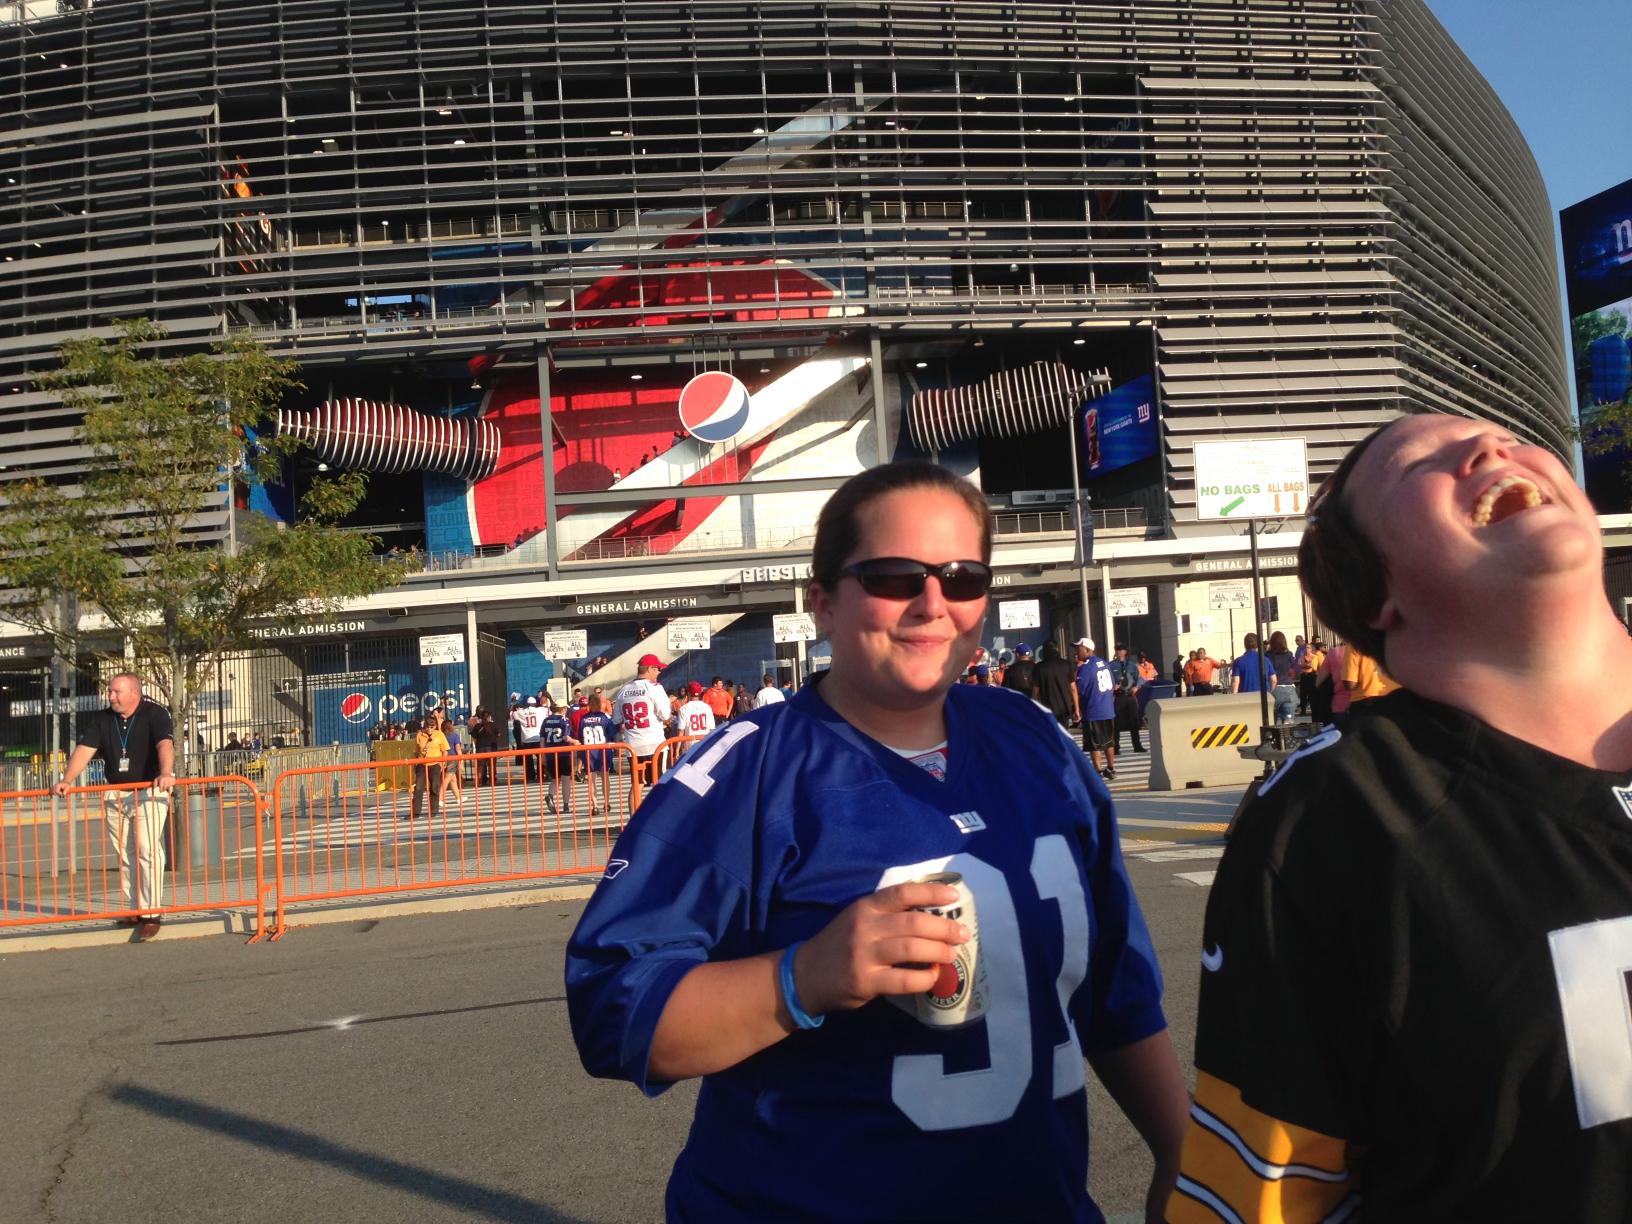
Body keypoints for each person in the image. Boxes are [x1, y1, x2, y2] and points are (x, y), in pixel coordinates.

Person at [567, 461, 1187, 1222]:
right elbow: (613, 1010)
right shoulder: (748, 774)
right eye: (895, 577)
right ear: (823, 602)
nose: (933, 603)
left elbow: (1115, 989)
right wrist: (801, 977)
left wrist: (1180, 1151)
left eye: (963, 579)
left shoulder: (1036, 741)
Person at [1172, 415, 1632, 1222]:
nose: (1489, 449)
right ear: (1377, 594)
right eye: (1418, 464)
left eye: (1510, 436)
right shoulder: (1335, 823)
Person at [54, 673, 175, 942]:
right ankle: (134, 909)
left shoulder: (155, 714)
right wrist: (67, 779)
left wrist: (166, 772)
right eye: (110, 691)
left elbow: (165, 744)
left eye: (116, 692)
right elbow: (84, 750)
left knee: (147, 850)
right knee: (125, 854)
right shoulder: (102, 718)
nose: (111, 696)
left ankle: (151, 913)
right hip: (115, 793)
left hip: (148, 791)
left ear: (134, 693)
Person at [613, 654, 673, 781]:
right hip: (654, 743)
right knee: (660, 783)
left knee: (637, 783)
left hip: (632, 745)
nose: (659, 672)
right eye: (658, 669)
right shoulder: (655, 687)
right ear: (650, 669)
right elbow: (665, 714)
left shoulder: (624, 689)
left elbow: (617, 719)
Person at [1076, 637, 1118, 780]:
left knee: (1094, 744)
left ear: (1087, 650)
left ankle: (1097, 771)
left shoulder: (1086, 667)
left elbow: (1080, 690)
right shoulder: (1104, 663)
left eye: (1079, 648)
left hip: (1093, 710)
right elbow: (1112, 684)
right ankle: (1111, 768)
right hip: (1108, 709)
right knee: (1109, 741)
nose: (1076, 652)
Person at [576, 693, 620, 818]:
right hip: (603, 750)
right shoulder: (605, 717)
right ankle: (606, 802)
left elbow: (580, 737)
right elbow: (612, 733)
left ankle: (594, 805)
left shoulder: (583, 719)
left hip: (589, 750)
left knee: (591, 779)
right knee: (605, 777)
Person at [537, 697, 579, 815]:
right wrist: (575, 741)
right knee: (566, 779)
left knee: (555, 779)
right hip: (563, 753)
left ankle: (550, 795)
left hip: (550, 754)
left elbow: (542, 739)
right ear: (563, 709)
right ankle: (566, 805)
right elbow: (565, 737)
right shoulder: (564, 721)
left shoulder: (546, 721)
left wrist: (543, 755)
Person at [1033, 639, 1078, 729]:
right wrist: (1077, 709)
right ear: (1057, 649)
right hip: (1064, 708)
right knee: (1063, 733)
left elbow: (1035, 692)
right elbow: (1073, 689)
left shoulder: (1039, 667)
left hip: (1047, 709)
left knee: (1050, 734)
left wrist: (1036, 710)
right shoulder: (1066, 664)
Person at [411, 713, 449, 821]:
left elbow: (445, 750)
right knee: (418, 788)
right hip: (422, 763)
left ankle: (433, 810)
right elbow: (416, 750)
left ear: (435, 726)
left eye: (432, 727)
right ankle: (416, 811)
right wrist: (415, 761)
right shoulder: (420, 735)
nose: (429, 729)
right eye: (427, 726)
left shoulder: (439, 735)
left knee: (434, 787)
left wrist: (443, 762)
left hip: (435, 763)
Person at [1342, 641, 1400, 708]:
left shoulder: (1355, 644)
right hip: (1397, 698)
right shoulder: (1396, 640)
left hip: (1366, 702)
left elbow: (1350, 684)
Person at [1264, 630, 1299, 723]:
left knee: (1272, 721)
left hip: (1274, 689)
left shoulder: (1267, 655)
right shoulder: (1289, 654)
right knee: (1288, 721)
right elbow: (1293, 671)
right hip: (1289, 689)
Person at [512, 694, 545, 782]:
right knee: (540, 758)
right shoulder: (540, 710)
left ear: (527, 704)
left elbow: (512, 714)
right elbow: (549, 709)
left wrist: (514, 703)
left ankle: (530, 776)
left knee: (528, 759)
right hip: (537, 738)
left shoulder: (522, 712)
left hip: (526, 739)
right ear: (535, 703)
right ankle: (540, 775)